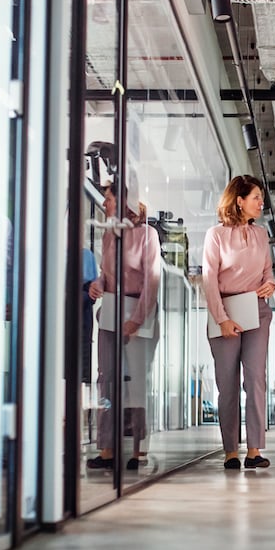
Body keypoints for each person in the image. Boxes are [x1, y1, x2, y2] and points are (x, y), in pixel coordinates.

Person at [203, 175, 275, 469]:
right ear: (239, 200)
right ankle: (231, 451)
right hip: (226, 311)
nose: (261, 202)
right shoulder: (216, 235)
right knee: (228, 384)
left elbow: (268, 272)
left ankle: (254, 450)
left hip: (257, 310)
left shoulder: (261, 234)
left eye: (261, 197)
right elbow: (209, 280)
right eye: (256, 197)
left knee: (256, 379)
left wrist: (270, 284)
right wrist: (222, 319)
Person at [87, 179, 161, 472]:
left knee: (137, 384)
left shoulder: (147, 235)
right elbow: (107, 275)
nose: (104, 203)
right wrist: (97, 284)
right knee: (106, 378)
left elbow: (151, 283)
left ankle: (138, 449)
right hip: (110, 313)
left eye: (108, 199)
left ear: (124, 203)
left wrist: (136, 320)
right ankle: (106, 448)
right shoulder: (108, 235)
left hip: (137, 314)